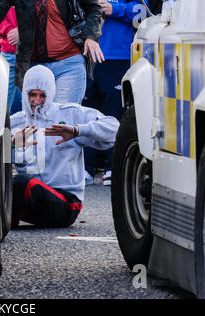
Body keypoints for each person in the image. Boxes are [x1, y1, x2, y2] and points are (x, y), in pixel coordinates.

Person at [11, 65, 119, 227]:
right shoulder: (16, 122)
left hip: (65, 202)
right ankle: (0, 223)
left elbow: (115, 128)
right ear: (25, 93)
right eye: (32, 95)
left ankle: (2, 220)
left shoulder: (69, 113)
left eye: (42, 95)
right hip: (32, 199)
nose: (37, 101)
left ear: (51, 94)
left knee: (21, 183)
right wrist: (11, 144)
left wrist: (78, 131)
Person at [83, 0, 149, 186]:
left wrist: (115, 9)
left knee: (114, 111)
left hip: (119, 56)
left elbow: (142, 14)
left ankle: (112, 166)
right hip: (87, 53)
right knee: (88, 111)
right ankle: (86, 167)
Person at [0, 0, 105, 105]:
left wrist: (91, 36)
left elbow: (95, 8)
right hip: (34, 66)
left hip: (69, 64)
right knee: (34, 120)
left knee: (62, 118)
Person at [0, 7, 23, 115]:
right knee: (2, 107)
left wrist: (23, 30)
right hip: (9, 53)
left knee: (32, 104)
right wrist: (8, 30)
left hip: (34, 55)